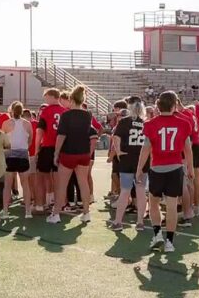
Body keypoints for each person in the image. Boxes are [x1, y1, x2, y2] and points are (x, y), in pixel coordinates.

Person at [137, 91, 193, 253]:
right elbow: (187, 149)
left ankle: (157, 234)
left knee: (153, 202)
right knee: (172, 205)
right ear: (174, 104)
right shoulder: (184, 123)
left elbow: (145, 149)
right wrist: (190, 168)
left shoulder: (150, 124)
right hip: (175, 168)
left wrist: (139, 168)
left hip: (157, 168)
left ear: (158, 105)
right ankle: (169, 241)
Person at [49, 86, 99, 224]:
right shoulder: (87, 115)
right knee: (83, 183)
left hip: (68, 153)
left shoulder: (66, 115)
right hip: (83, 153)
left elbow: (61, 136)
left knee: (62, 185)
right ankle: (86, 213)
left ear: (71, 99)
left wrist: (56, 153)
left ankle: (56, 214)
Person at [109, 97, 148, 231]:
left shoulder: (125, 121)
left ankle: (118, 222)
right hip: (142, 160)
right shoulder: (145, 122)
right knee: (141, 191)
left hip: (127, 159)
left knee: (125, 191)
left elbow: (116, 137)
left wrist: (119, 152)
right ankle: (140, 222)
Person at [35, 89, 66, 213]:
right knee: (60, 179)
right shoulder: (65, 111)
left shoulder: (46, 111)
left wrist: (37, 148)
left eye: (46, 97)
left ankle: (39, 205)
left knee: (40, 177)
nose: (45, 100)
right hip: (62, 148)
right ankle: (60, 205)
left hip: (48, 147)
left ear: (53, 96)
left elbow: (40, 130)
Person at [2, 102, 33, 218]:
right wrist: (24, 148)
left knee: (7, 185)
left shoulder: (6, 123)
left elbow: (3, 139)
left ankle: (5, 211)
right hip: (23, 154)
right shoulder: (27, 124)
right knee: (25, 184)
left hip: (10, 155)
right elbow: (30, 139)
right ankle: (28, 211)